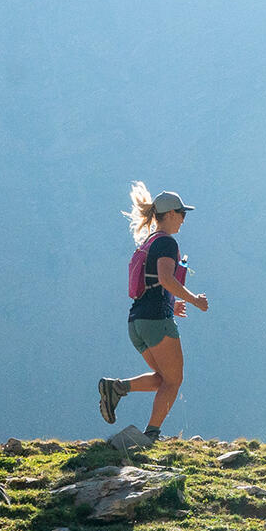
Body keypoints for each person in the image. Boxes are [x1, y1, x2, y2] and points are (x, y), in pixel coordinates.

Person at [98, 183, 209, 442]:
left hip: (136, 322)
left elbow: (153, 284)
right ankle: (152, 434)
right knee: (174, 380)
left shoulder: (150, 242)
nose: (183, 219)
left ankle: (116, 388)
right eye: (182, 213)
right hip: (156, 320)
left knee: (164, 378)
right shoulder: (167, 243)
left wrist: (172, 304)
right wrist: (193, 300)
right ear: (170, 214)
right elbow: (166, 278)